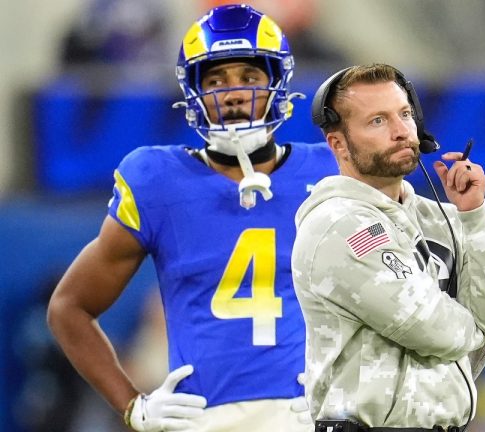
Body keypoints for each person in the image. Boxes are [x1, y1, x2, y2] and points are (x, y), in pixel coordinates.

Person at [47, 4, 338, 432]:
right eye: (216, 79)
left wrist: (361, 386)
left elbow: (402, 290)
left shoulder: (332, 172)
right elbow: (68, 308)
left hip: (310, 416)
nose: (234, 92)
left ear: (279, 83)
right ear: (192, 92)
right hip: (204, 420)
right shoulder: (156, 180)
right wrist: (133, 407)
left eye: (250, 77)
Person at [292, 63, 485, 431]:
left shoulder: (442, 217)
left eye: (405, 114)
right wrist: (479, 327)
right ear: (338, 143)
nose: (403, 132)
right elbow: (430, 327)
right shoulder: (337, 225)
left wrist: (475, 216)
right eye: (378, 121)